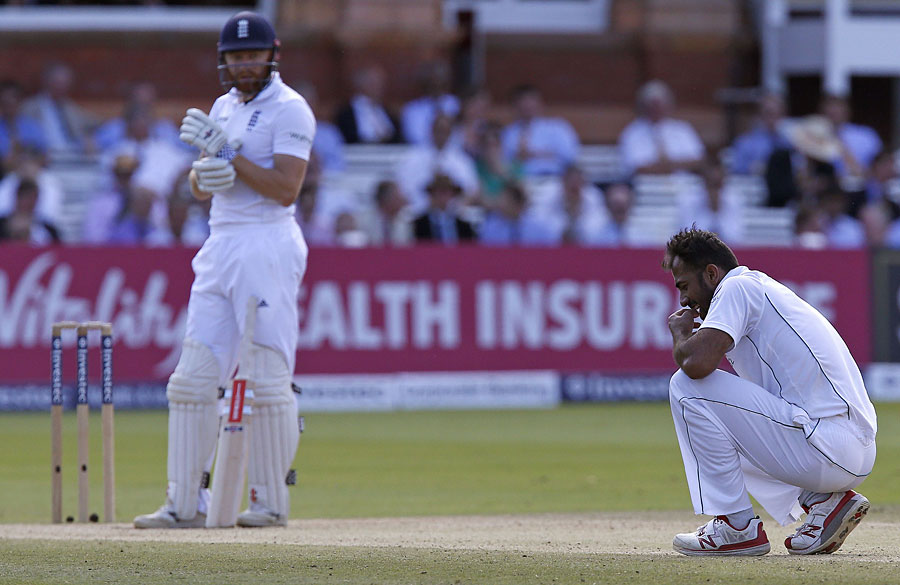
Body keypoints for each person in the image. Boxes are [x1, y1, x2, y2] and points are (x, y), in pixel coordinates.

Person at [134, 11, 316, 529]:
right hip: (220, 242)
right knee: (192, 381)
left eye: (251, 54)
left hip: (267, 242)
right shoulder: (222, 106)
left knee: (265, 377)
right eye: (234, 56)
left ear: (271, 54)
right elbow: (201, 186)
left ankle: (269, 502)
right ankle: (184, 503)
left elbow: (286, 188)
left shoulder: (291, 109)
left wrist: (229, 155)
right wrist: (204, 173)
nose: (242, 64)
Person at [663, 227, 876, 556]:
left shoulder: (735, 287)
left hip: (827, 447)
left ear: (711, 273)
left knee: (686, 387)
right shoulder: (758, 288)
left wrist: (680, 335)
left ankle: (736, 528)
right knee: (723, 430)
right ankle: (824, 503)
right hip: (847, 448)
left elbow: (695, 364)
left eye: (685, 286)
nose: (683, 300)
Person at [618, 80, 705, 176]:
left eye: (660, 105)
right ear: (643, 106)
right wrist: (676, 165)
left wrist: (663, 165)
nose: (656, 109)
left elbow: (698, 161)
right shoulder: (632, 132)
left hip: (683, 184)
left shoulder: (683, 129)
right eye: (652, 105)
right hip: (648, 185)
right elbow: (637, 167)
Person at [501, 84, 579, 176]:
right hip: (522, 181)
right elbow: (503, 161)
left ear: (540, 103)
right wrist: (518, 157)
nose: (527, 105)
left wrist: (536, 154)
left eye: (531, 100)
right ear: (514, 106)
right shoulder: (508, 133)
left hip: (555, 178)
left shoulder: (558, 127)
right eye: (523, 101)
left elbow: (571, 155)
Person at [334, 65, 401, 144]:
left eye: (380, 83)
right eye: (373, 82)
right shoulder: (346, 113)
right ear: (361, 84)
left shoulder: (388, 111)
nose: (379, 87)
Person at [412, 173, 476, 244]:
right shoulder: (419, 225)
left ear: (452, 195)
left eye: (446, 192)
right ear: (432, 194)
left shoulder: (464, 226)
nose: (443, 196)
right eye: (439, 192)